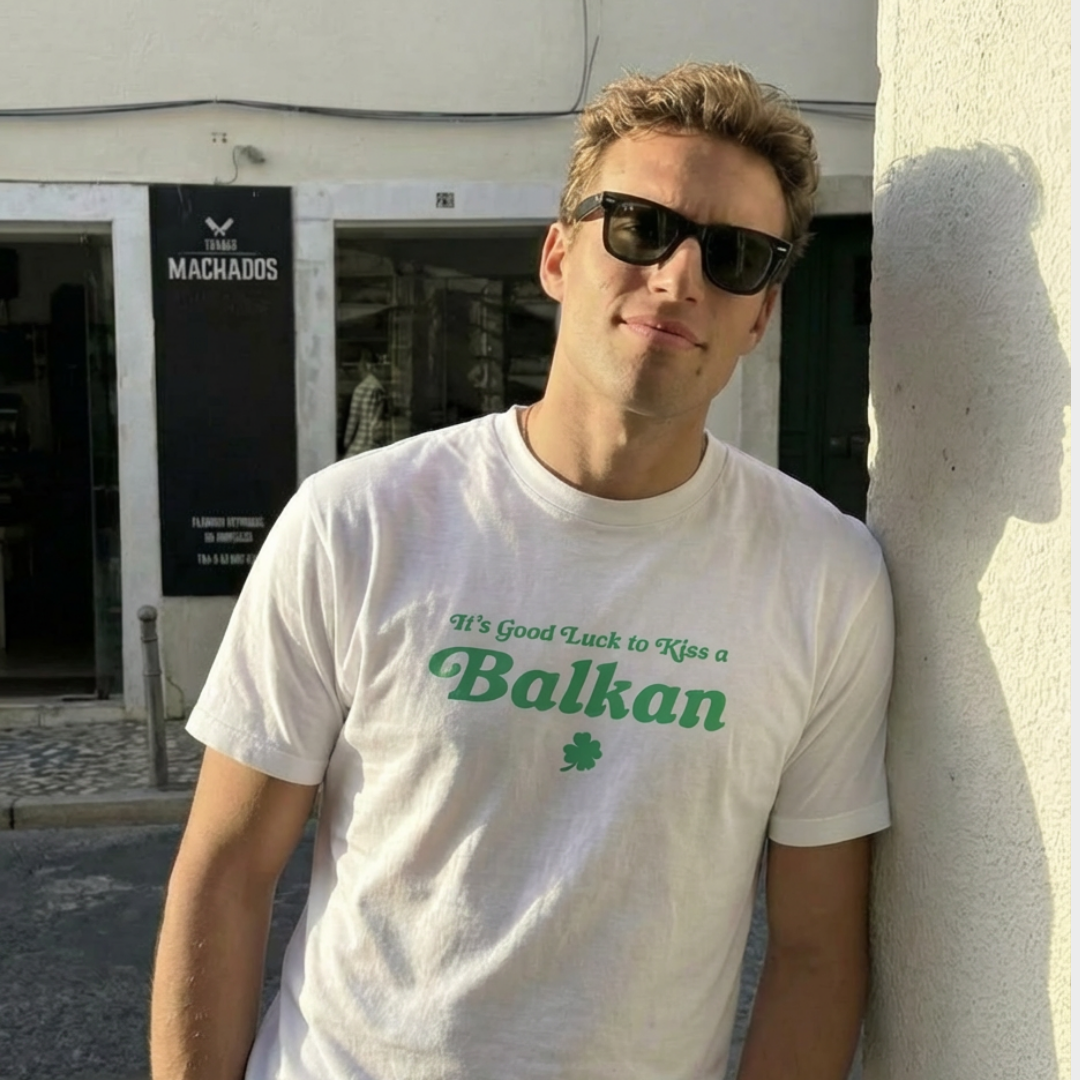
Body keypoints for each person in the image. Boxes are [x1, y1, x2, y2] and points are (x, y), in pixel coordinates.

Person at [151, 62, 893, 1080]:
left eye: (734, 256)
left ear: (760, 316)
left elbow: (816, 953)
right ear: (557, 256)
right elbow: (228, 872)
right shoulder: (358, 522)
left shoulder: (825, 578)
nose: (679, 277)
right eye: (639, 227)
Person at [341, 352, 390, 458]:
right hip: (373, 444)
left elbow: (353, 420)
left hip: (360, 444)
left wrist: (346, 441)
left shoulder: (360, 389)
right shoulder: (379, 387)